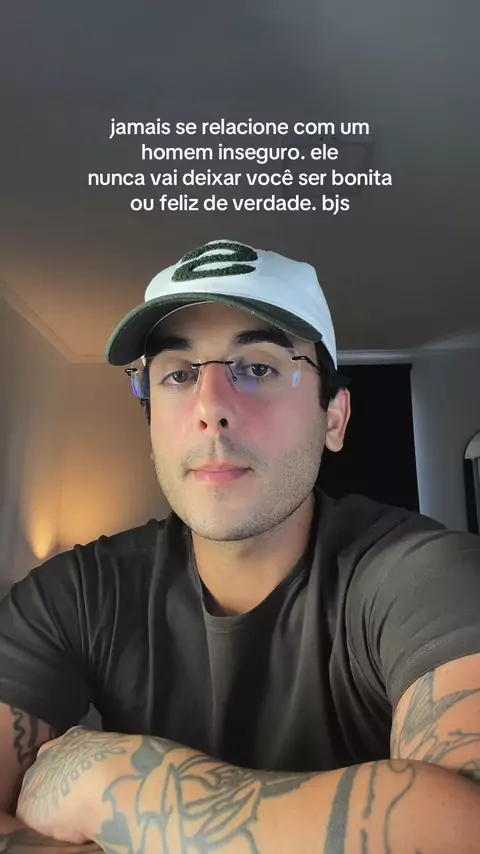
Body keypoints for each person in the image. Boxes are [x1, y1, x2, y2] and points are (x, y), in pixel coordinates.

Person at [0, 237, 480, 853]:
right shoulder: (75, 593)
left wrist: (117, 787)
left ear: (334, 418)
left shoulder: (426, 577)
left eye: (257, 367)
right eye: (177, 374)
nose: (210, 408)